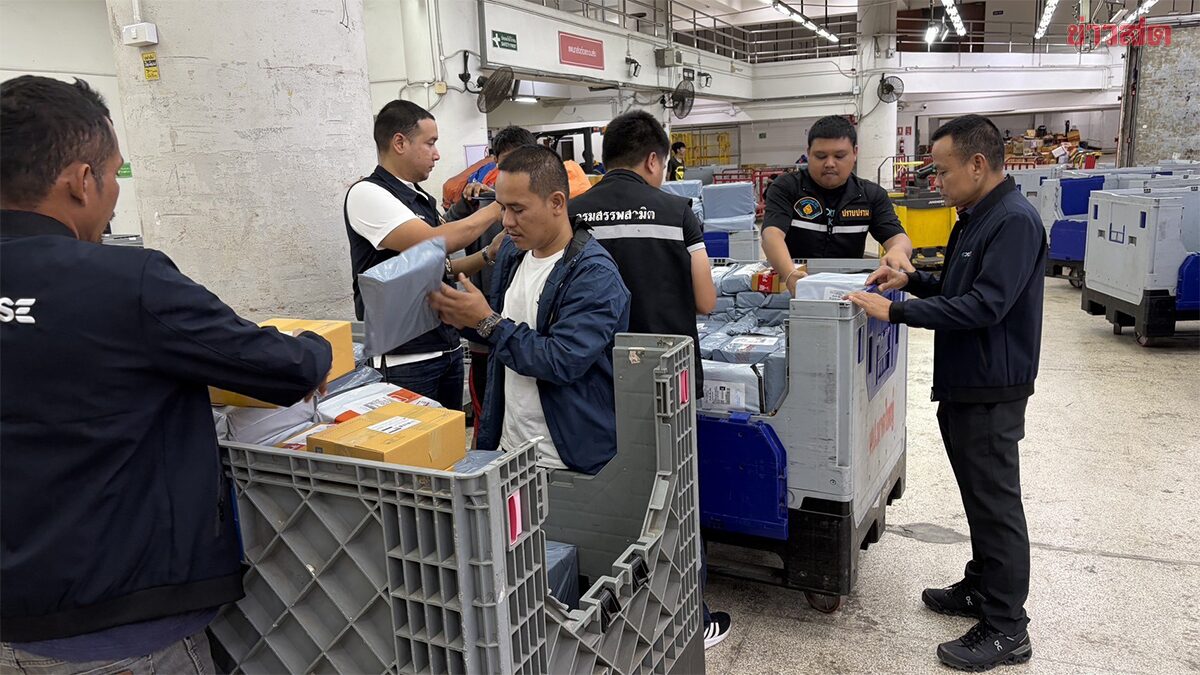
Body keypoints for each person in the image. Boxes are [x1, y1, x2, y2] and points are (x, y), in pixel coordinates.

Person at [0, 76, 332, 671]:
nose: (114, 197)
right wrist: (317, 345)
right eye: (114, 176)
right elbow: (282, 368)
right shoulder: (127, 283)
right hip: (123, 630)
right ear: (81, 180)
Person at [846, 114, 1043, 672]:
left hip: (992, 386)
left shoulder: (1013, 221)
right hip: (965, 379)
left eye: (944, 170)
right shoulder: (976, 216)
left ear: (978, 164)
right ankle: (982, 587)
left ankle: (1007, 627)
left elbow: (986, 306)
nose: (937, 181)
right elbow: (960, 287)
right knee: (978, 496)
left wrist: (897, 312)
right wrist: (912, 281)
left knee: (996, 505)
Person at [568, 111, 731, 651]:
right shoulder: (677, 211)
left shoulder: (574, 212)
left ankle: (604, 607)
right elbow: (705, 300)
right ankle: (690, 615)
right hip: (667, 376)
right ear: (655, 159)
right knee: (674, 492)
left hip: (594, 373)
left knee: (605, 490)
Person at [430, 145, 630, 474]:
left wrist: (486, 321)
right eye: (502, 208)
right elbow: (502, 333)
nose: (506, 222)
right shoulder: (514, 252)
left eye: (518, 209)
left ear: (557, 203)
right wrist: (458, 313)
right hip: (510, 445)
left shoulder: (594, 275)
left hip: (563, 460)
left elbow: (562, 360)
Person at [344, 99, 503, 410]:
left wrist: (488, 253)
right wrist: (500, 205)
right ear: (399, 143)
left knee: (450, 438)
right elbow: (432, 242)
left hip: (445, 348)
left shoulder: (419, 198)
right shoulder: (367, 194)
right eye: (430, 143)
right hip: (405, 359)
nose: (437, 153)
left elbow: (442, 267)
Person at [446, 125, 537, 436]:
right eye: (506, 164)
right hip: (484, 331)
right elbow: (443, 237)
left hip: (529, 332)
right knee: (488, 416)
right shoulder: (482, 201)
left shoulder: (547, 205)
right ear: (496, 162)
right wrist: (466, 203)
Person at [762, 115, 914, 295]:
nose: (829, 164)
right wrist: (789, 275)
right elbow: (771, 235)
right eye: (820, 156)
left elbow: (898, 237)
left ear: (855, 153)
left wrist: (898, 250)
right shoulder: (786, 188)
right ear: (808, 153)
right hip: (792, 283)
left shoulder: (871, 195)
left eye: (839, 156)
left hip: (848, 290)